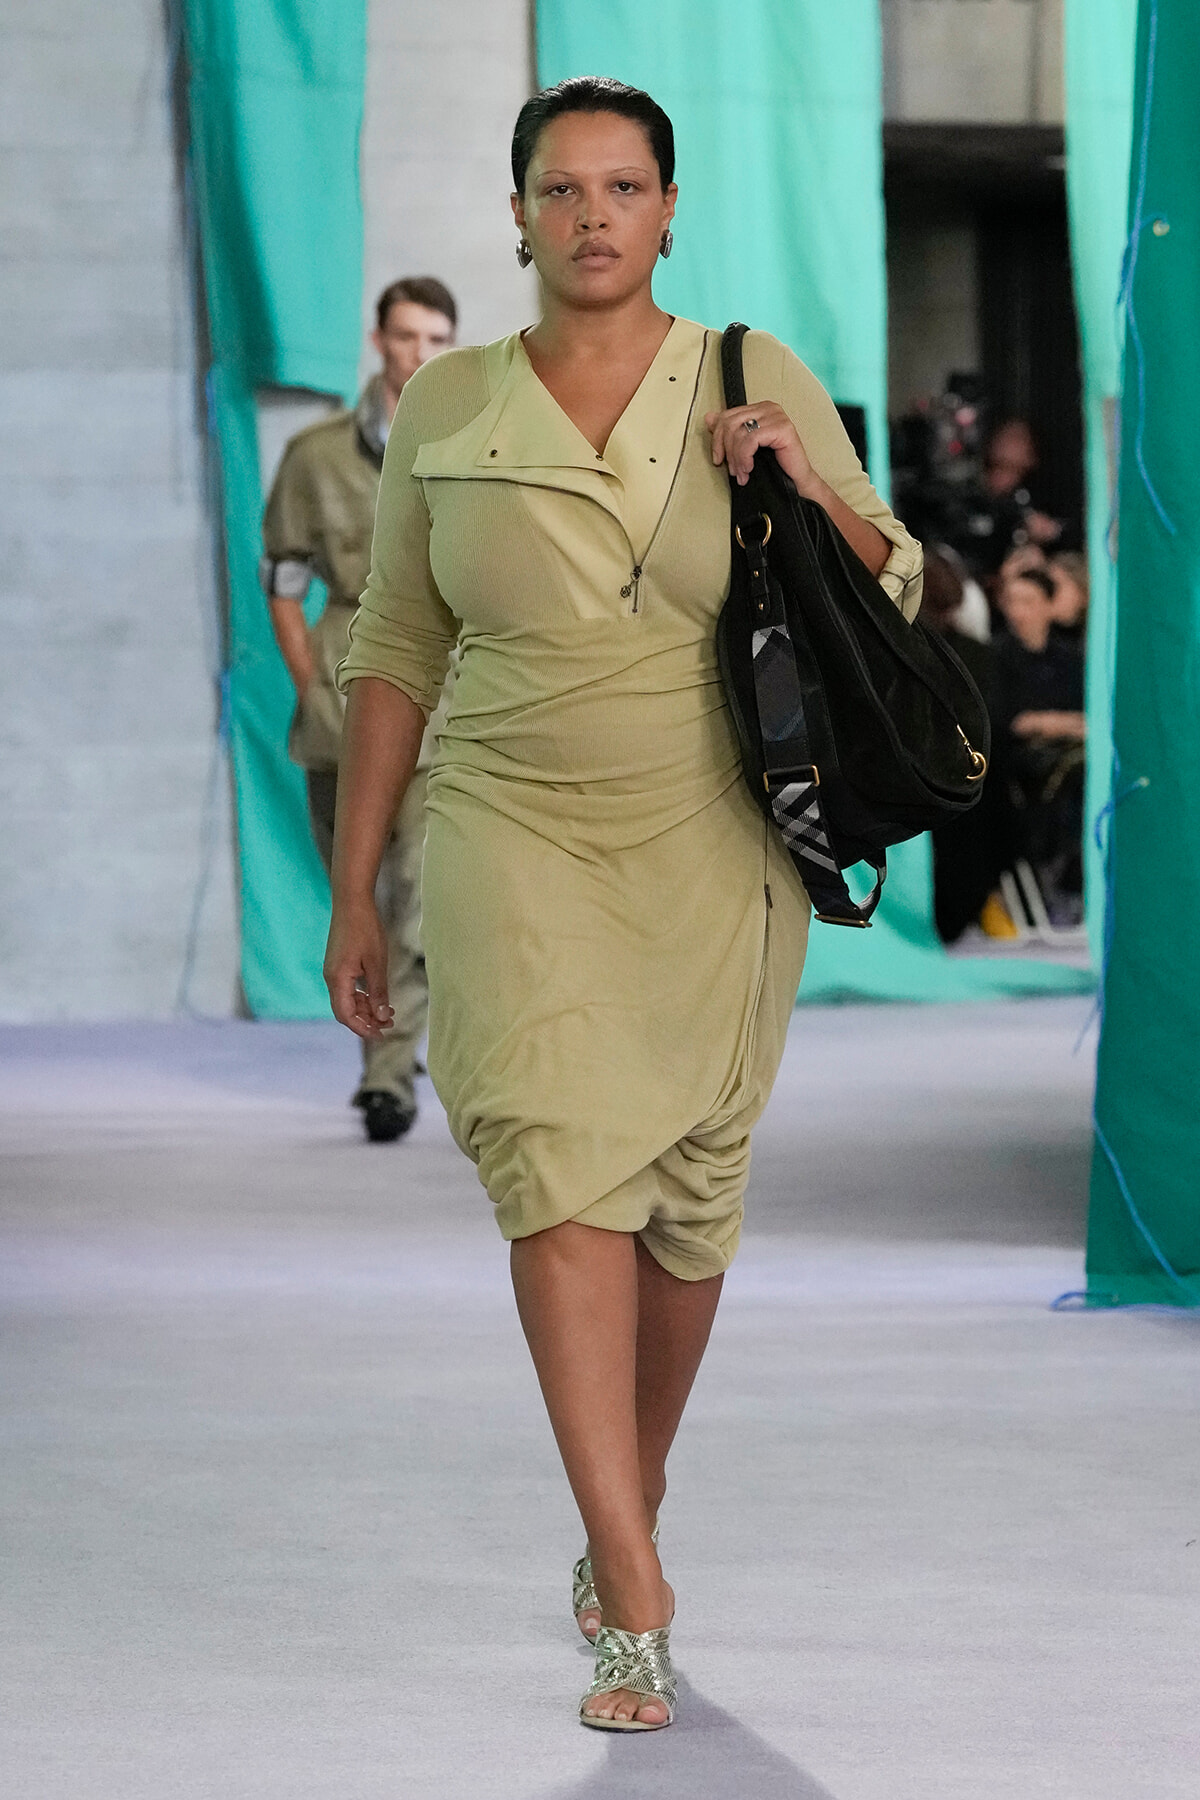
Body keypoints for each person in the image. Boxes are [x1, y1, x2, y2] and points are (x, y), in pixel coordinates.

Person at [323, 78, 922, 1730]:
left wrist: (796, 477)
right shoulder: (448, 410)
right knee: (555, 1172)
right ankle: (633, 1590)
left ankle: (618, 1511)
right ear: (515, 215)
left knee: (686, 1201)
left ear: (668, 211)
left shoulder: (746, 371)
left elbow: (896, 572)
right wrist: (356, 891)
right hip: (509, 823)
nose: (593, 215)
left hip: (721, 830)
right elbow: (391, 656)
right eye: (562, 189)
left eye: (624, 187)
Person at [261, 278, 457, 1140]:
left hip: (436, 707)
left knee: (413, 893)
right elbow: (283, 579)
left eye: (438, 339)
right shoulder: (314, 457)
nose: (421, 353)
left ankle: (388, 1075)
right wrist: (308, 677)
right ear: (379, 341)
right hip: (340, 707)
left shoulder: (468, 448)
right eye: (408, 337)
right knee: (358, 894)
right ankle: (387, 1046)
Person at [993, 567, 1086, 921]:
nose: (1019, 611)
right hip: (1016, 762)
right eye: (1012, 601)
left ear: (1049, 605)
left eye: (1029, 601)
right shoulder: (996, 654)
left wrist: (1048, 723)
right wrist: (1056, 723)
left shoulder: (1069, 657)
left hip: (1066, 755)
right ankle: (1055, 871)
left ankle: (1071, 874)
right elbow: (1009, 720)